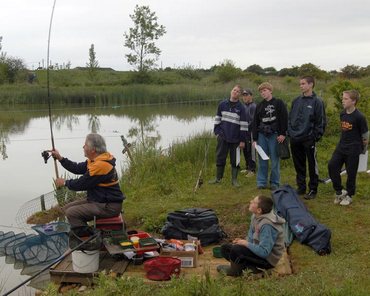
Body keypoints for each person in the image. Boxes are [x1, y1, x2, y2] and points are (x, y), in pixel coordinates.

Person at [50, 133, 125, 233]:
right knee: (66, 208)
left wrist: (64, 182)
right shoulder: (97, 160)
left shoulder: (100, 165)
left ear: (93, 149)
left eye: (85, 145)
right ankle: (84, 230)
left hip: (109, 206)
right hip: (99, 201)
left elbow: (81, 184)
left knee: (71, 212)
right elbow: (76, 168)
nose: (83, 147)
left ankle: (88, 239)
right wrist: (60, 158)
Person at [217, 195, 285, 276]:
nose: (250, 201)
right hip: (257, 251)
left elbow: (264, 252)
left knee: (236, 250)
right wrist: (242, 242)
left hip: (267, 260)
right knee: (225, 248)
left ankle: (235, 271)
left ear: (259, 210)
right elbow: (250, 236)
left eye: (253, 202)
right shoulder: (255, 216)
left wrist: (245, 244)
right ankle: (250, 268)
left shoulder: (267, 226)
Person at [288, 76, 326, 200]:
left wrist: (315, 136)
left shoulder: (317, 101)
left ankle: (313, 189)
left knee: (311, 164)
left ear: (311, 85)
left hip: (308, 138)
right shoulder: (296, 100)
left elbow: (321, 121)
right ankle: (301, 187)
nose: (301, 86)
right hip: (295, 138)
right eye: (300, 84)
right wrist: (290, 132)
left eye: (303, 84)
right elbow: (290, 117)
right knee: (299, 164)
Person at [328, 90, 368, 206]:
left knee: (351, 173)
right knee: (332, 166)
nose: (342, 100)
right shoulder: (343, 113)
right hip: (341, 146)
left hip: (354, 149)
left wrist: (363, 151)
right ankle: (340, 191)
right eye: (343, 98)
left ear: (353, 101)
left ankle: (349, 195)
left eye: (346, 99)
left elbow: (365, 135)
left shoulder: (360, 117)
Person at [209, 85, 248, 187]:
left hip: (236, 139)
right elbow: (217, 120)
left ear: (239, 95)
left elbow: (244, 125)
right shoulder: (222, 104)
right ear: (231, 91)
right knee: (220, 157)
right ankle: (218, 178)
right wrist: (217, 132)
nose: (235, 92)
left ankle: (234, 180)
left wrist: (242, 140)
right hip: (223, 137)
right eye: (234, 90)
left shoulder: (242, 108)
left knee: (235, 160)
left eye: (238, 91)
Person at [251, 82, 288, 190]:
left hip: (275, 135)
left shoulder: (278, 103)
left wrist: (283, 133)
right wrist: (255, 139)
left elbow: (284, 118)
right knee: (262, 159)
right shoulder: (259, 105)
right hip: (262, 135)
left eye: (265, 90)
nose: (263, 93)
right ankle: (261, 182)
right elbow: (255, 122)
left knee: (275, 160)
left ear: (270, 91)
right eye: (261, 91)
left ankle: (274, 183)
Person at [241, 89, 257, 177]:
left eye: (246, 95)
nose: (245, 97)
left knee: (252, 151)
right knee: (245, 150)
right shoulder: (243, 106)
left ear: (251, 96)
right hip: (244, 132)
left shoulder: (253, 106)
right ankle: (247, 167)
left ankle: (252, 170)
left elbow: (253, 121)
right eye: (243, 95)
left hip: (251, 132)